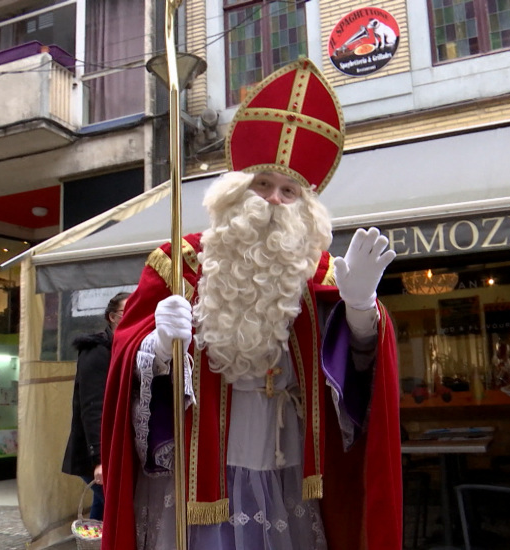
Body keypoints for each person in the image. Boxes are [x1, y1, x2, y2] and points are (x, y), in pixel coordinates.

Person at [100, 59, 402, 550]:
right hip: (200, 459)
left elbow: (361, 371)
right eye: (262, 184)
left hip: (286, 456)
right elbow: (123, 362)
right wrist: (155, 342)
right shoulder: (181, 262)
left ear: (304, 205)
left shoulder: (322, 272)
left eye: (288, 191)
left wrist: (361, 308)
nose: (273, 200)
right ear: (237, 191)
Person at [62, 291, 131, 521]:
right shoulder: (97, 351)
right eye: (126, 312)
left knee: (102, 513)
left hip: (114, 450)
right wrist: (99, 460)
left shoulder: (124, 347)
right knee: (117, 509)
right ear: (112, 317)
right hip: (97, 454)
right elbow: (93, 408)